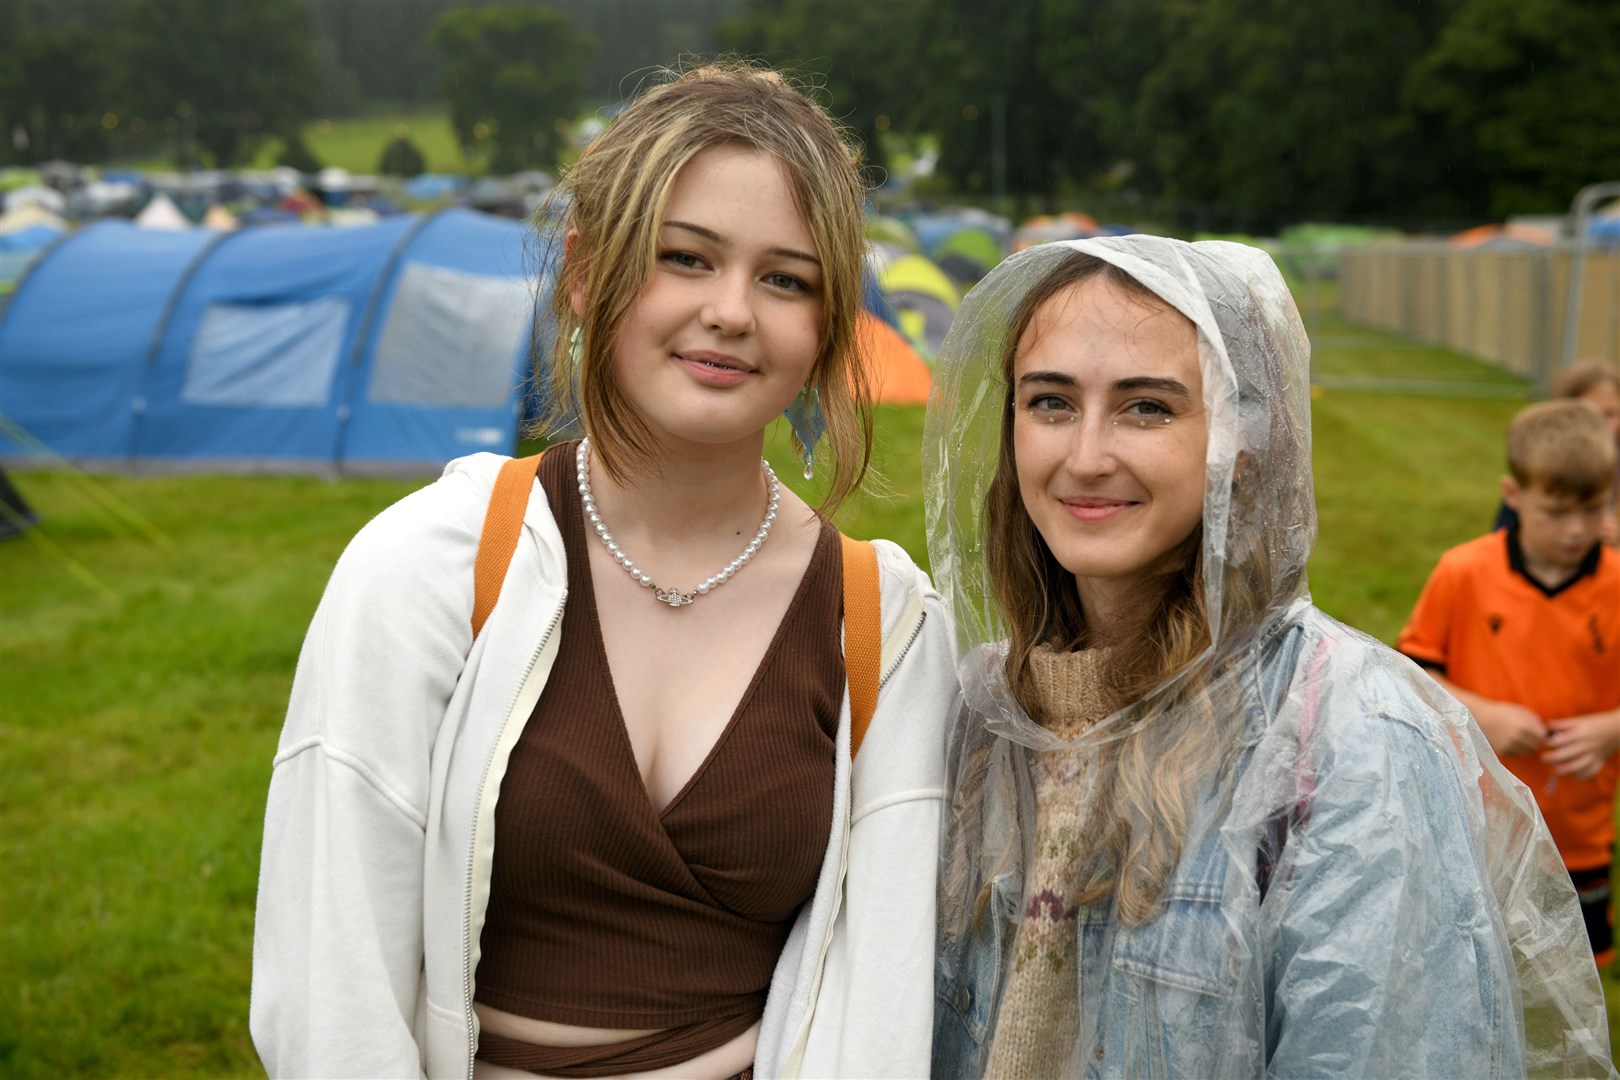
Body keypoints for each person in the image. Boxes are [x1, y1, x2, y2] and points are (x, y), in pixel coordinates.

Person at [249, 62, 957, 1080]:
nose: (731, 311)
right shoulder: (430, 567)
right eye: (686, 259)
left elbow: (882, 1001)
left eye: (785, 278)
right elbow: (332, 989)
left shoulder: (883, 623)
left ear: (829, 323)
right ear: (586, 273)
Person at [924, 235, 1612, 1078]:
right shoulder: (979, 715)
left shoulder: (1350, 741)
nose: (1086, 456)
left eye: (1148, 407)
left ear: (1247, 444)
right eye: (1051, 402)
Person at [1399, 398, 1620, 964]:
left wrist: (1608, 730)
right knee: (1474, 955)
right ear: (1514, 494)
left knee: (1570, 969)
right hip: (1476, 816)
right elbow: (1411, 674)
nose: (1576, 530)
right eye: (1555, 511)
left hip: (1579, 830)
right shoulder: (1464, 572)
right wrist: (1484, 716)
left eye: (1593, 510)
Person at [1493, 359, 1620, 546]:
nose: (1600, 424)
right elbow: (1503, 539)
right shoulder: (1541, 466)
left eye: (1611, 413)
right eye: (1587, 413)